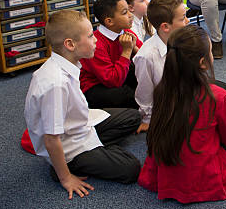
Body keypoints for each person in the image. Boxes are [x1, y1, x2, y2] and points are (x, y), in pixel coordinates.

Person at [138, 25, 226, 203]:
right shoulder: (219, 96)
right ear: (202, 62)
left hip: (165, 168)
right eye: (210, 50)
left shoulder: (163, 89)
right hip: (202, 175)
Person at [24, 10, 142, 199]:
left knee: (133, 116)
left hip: (80, 126)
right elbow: (51, 139)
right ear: (70, 44)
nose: (95, 39)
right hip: (68, 146)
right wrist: (66, 179)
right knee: (131, 168)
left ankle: (97, 152)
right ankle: (62, 168)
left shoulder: (67, 64)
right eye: (89, 36)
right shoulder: (56, 83)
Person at [133, 0, 226, 133]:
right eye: (182, 18)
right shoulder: (146, 56)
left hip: (191, 86)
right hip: (174, 102)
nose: (188, 21)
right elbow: (144, 93)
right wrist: (148, 120)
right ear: (165, 27)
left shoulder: (184, 41)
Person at [80, 0, 142, 108]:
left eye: (129, 10)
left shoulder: (127, 33)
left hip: (118, 75)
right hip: (96, 86)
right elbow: (113, 81)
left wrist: (134, 48)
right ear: (109, 21)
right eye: (124, 13)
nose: (130, 15)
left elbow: (145, 59)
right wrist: (127, 51)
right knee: (128, 96)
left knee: (146, 83)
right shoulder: (96, 44)